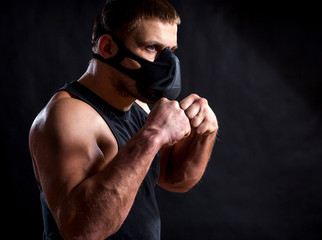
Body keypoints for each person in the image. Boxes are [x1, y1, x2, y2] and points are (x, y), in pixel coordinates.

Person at [29, 0, 218, 239]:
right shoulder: (67, 116)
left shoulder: (137, 103)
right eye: (152, 48)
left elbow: (174, 178)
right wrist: (153, 136)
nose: (167, 65)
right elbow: (83, 232)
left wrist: (204, 134)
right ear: (108, 47)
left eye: (170, 51)